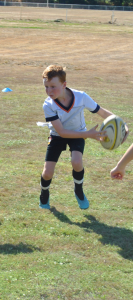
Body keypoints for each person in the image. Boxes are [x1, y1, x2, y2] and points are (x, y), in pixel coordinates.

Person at [38, 65, 128, 210]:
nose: (49, 91)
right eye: (46, 87)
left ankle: (78, 190)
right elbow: (61, 132)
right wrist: (88, 134)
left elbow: (103, 113)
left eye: (53, 87)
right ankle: (44, 193)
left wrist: (122, 125)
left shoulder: (81, 97)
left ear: (64, 84)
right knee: (47, 173)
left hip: (78, 133)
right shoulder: (48, 104)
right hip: (57, 135)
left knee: (77, 161)